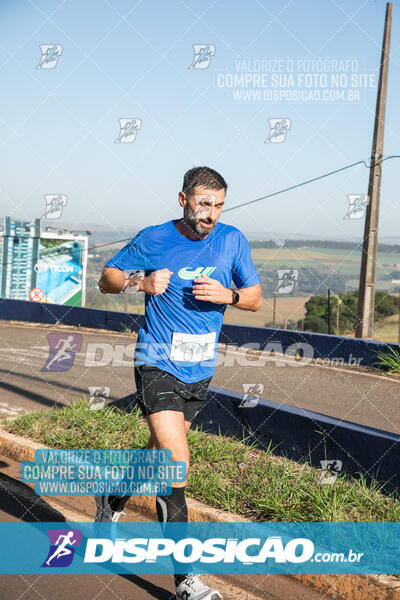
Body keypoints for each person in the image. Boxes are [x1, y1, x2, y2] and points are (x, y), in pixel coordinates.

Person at [97, 166, 262, 600]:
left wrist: (229, 296)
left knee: (159, 455)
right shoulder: (155, 238)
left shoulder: (232, 240)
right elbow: (107, 279)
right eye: (204, 203)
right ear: (183, 199)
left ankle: (111, 498)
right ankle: (186, 581)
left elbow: (256, 297)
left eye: (219, 204)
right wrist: (141, 282)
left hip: (200, 369)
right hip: (157, 361)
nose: (212, 214)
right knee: (176, 466)